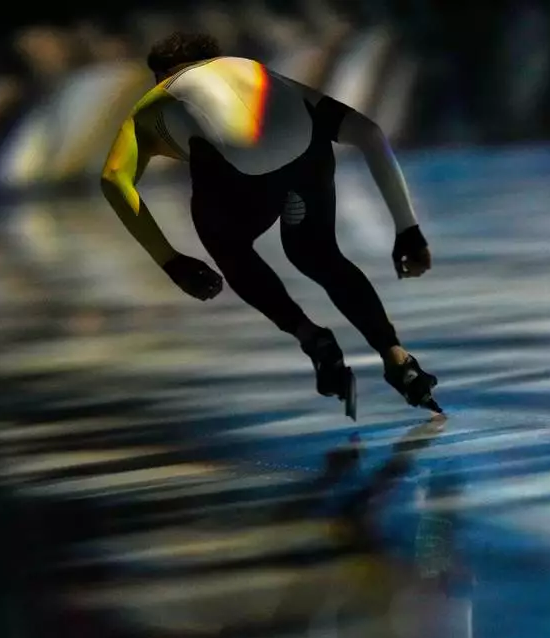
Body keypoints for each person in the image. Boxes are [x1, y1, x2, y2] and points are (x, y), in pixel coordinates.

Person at [100, 32, 440, 417]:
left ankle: (311, 337)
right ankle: (398, 359)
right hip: (308, 158)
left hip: (236, 175)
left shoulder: (155, 99)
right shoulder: (259, 73)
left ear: (160, 75)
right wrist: (408, 229)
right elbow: (370, 134)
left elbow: (113, 179)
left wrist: (171, 261)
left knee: (228, 246)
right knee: (315, 254)